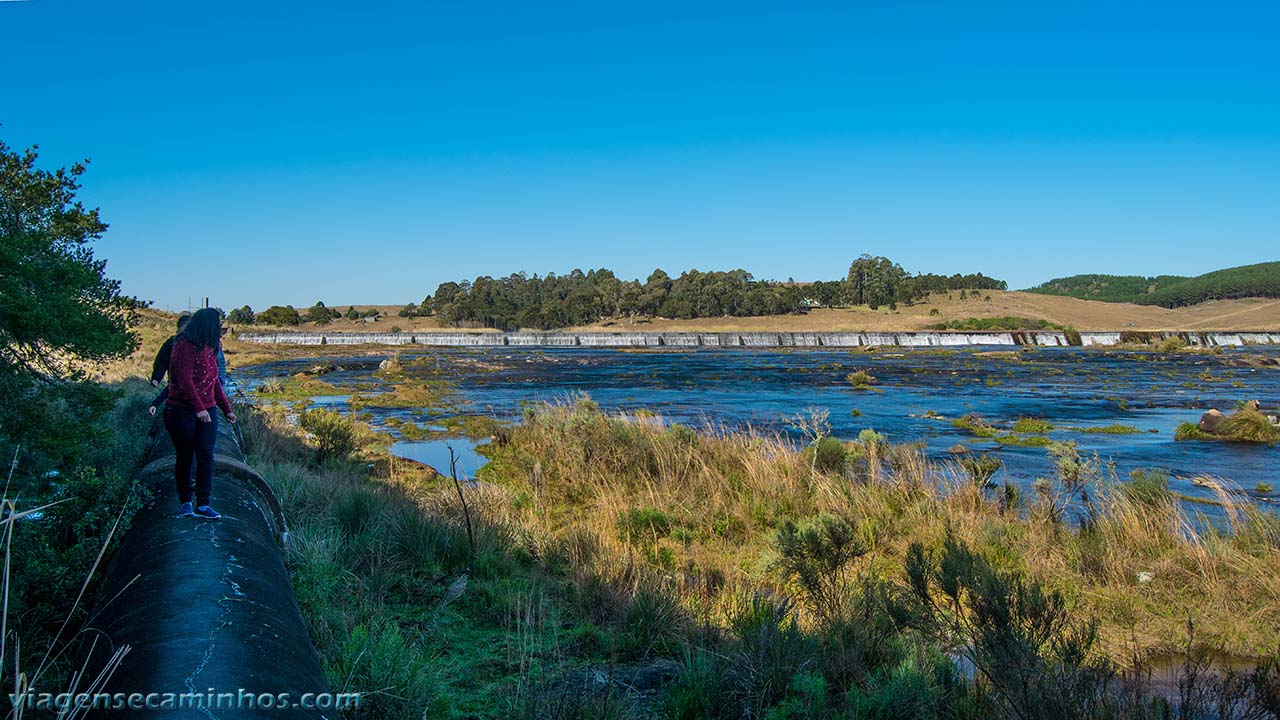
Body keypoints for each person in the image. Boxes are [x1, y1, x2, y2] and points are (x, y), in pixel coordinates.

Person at [164, 308, 236, 519]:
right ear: (207, 325)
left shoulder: (210, 348)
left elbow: (214, 383)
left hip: (208, 410)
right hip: (180, 411)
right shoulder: (183, 346)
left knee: (206, 455)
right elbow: (185, 381)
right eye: (218, 324)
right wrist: (199, 408)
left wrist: (227, 410)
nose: (220, 328)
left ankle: (203, 504)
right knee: (185, 456)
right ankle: (185, 501)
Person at [151, 312, 192, 387]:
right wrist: (156, 378)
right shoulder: (172, 342)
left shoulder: (199, 344)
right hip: (175, 383)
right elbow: (162, 360)